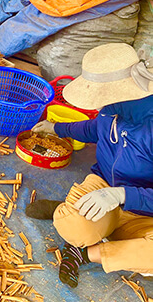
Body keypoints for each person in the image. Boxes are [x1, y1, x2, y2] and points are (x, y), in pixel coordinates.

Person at [27, 43, 153, 288]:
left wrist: (121, 195)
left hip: (144, 214)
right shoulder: (111, 112)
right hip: (102, 186)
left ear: (121, 94)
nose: (95, 106)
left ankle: (84, 253)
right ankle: (77, 218)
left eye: (99, 98)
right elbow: (93, 129)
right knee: (72, 226)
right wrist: (57, 128)